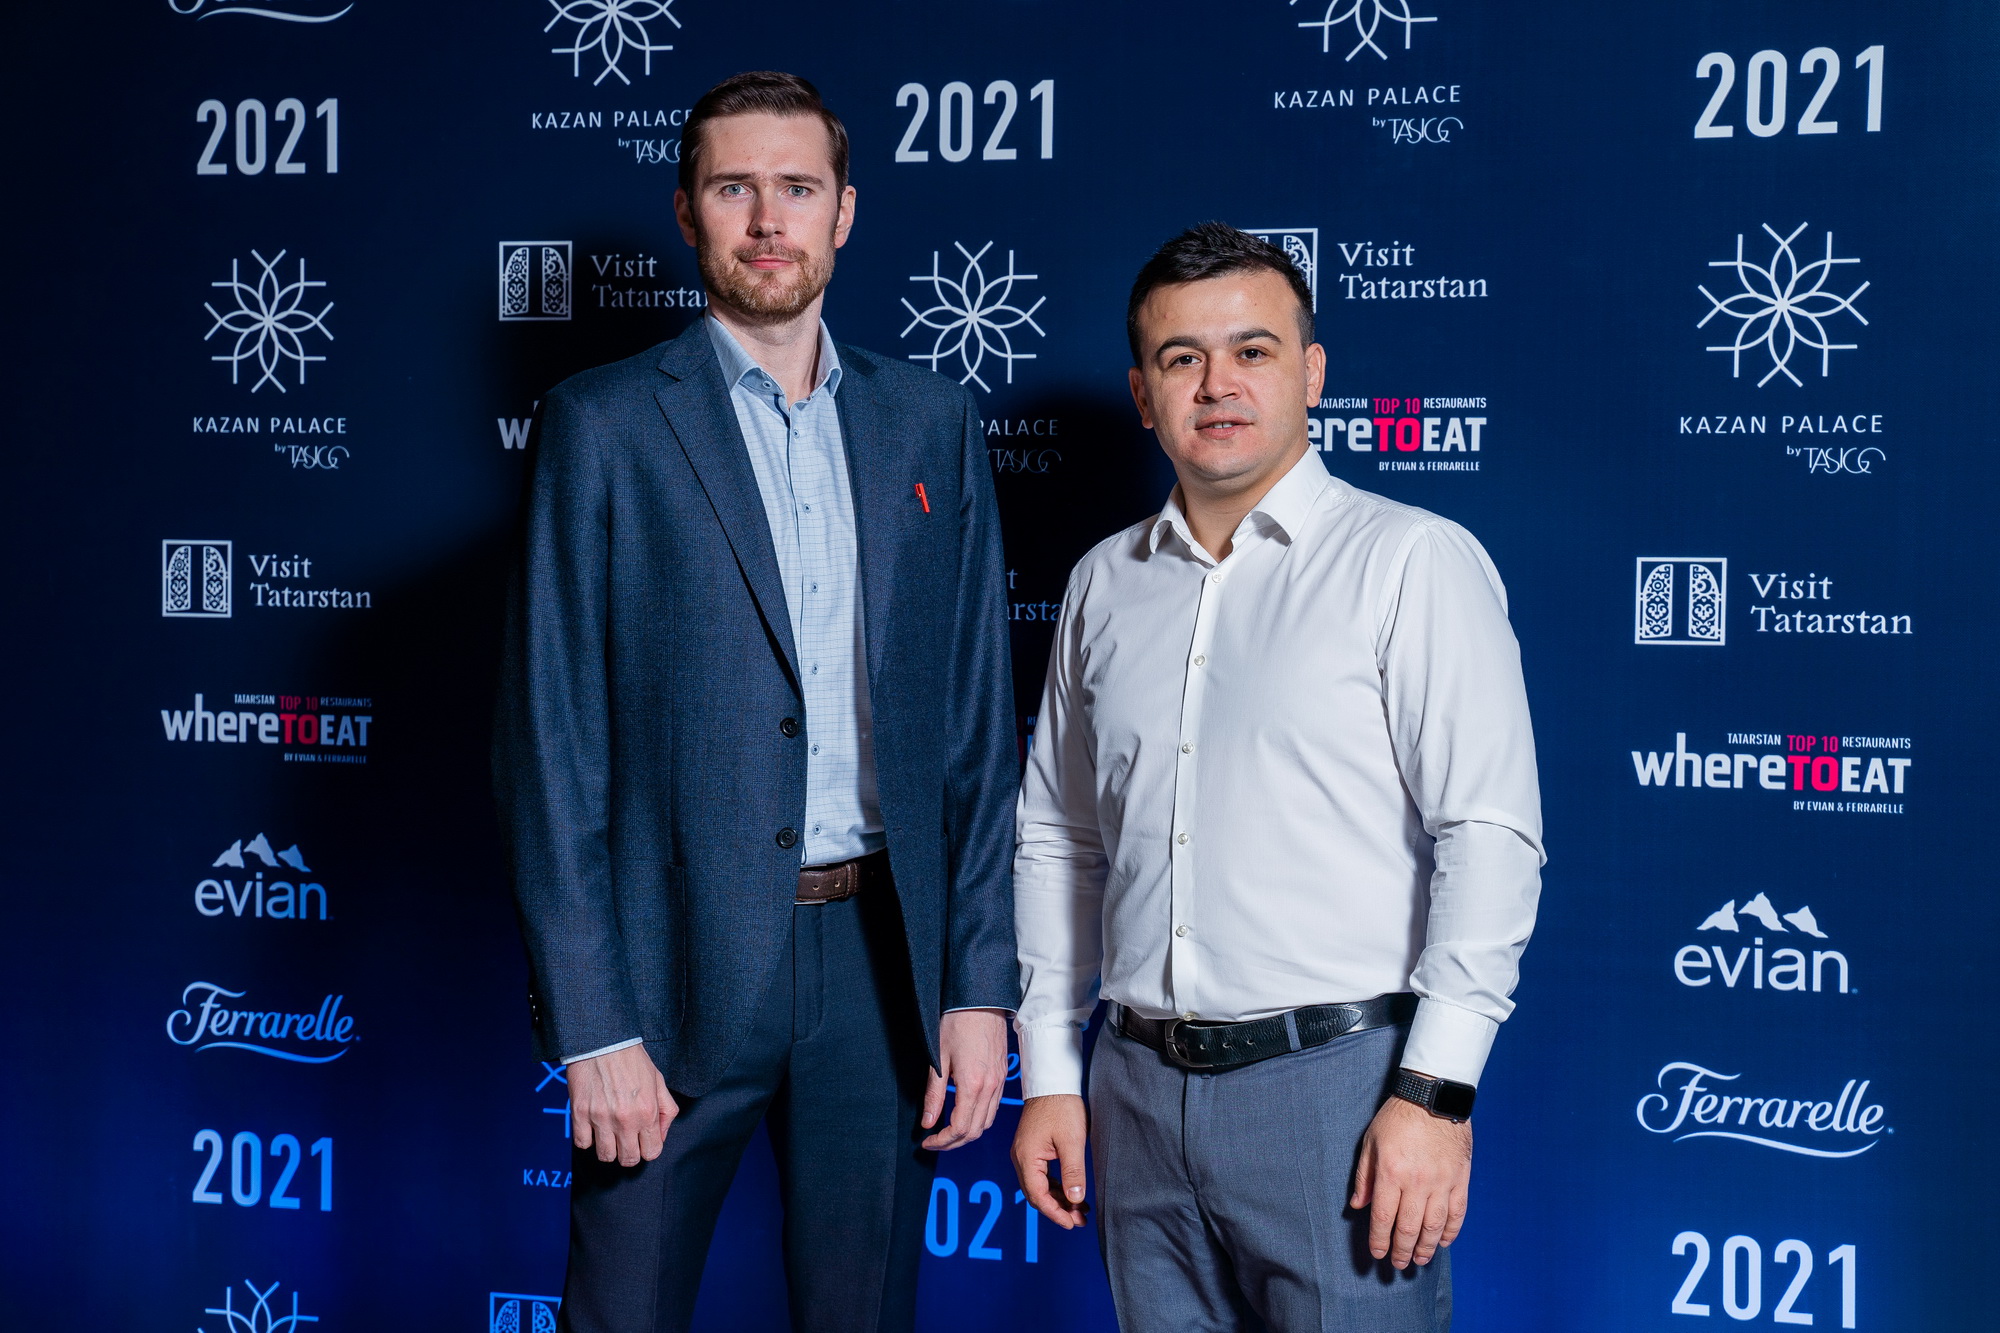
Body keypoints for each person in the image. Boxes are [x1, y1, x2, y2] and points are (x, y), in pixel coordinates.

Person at [493, 71, 1019, 1333]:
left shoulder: (930, 422)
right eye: (735, 189)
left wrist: (976, 986)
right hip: (669, 971)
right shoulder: (601, 423)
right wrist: (592, 1026)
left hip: (880, 968)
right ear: (688, 213)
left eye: (797, 187)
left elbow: (971, 727)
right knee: (622, 1311)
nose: (768, 219)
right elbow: (549, 744)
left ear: (845, 211)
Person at [1008, 222, 1543, 1332]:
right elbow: (1059, 838)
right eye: (1182, 358)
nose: (1218, 384)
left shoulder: (1410, 561)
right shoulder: (1103, 583)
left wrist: (1434, 1092)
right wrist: (1052, 1070)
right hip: (1132, 1090)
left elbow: (1487, 836)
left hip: (1341, 1089)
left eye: (1252, 351)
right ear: (1142, 393)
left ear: (1311, 372)